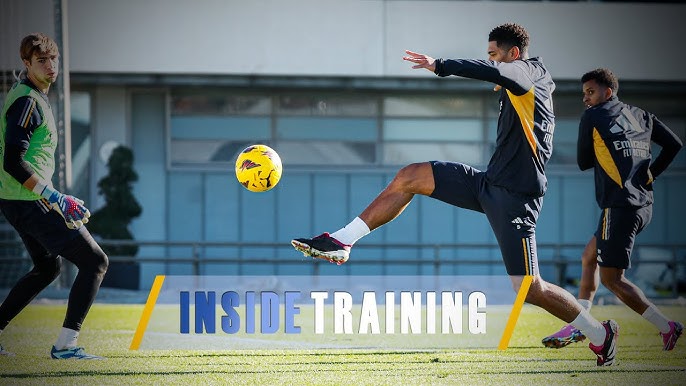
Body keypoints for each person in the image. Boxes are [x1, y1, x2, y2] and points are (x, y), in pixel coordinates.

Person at [292, 23, 619, 366]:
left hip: (515, 198)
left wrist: (441, 65)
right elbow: (503, 79)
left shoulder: (527, 73)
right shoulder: (524, 78)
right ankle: (343, 241)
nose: (492, 62)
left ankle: (600, 333)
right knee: (410, 176)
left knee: (529, 288)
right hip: (488, 184)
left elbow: (502, 74)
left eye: (495, 55)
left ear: (514, 54)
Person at [542, 68, 683, 351]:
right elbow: (674, 144)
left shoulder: (594, 116)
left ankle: (666, 326)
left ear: (608, 92)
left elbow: (583, 162)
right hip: (643, 204)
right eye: (584, 93)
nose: (586, 98)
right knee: (588, 257)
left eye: (590, 92)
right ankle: (580, 322)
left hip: (618, 206)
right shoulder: (640, 114)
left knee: (612, 279)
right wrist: (650, 172)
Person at [0, 33, 108, 359]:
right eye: (41, 61)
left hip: (19, 200)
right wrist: (56, 197)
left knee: (47, 269)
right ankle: (65, 346)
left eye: (53, 59)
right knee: (95, 262)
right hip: (30, 201)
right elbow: (12, 161)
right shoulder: (28, 101)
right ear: (27, 64)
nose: (50, 66)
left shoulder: (33, 96)